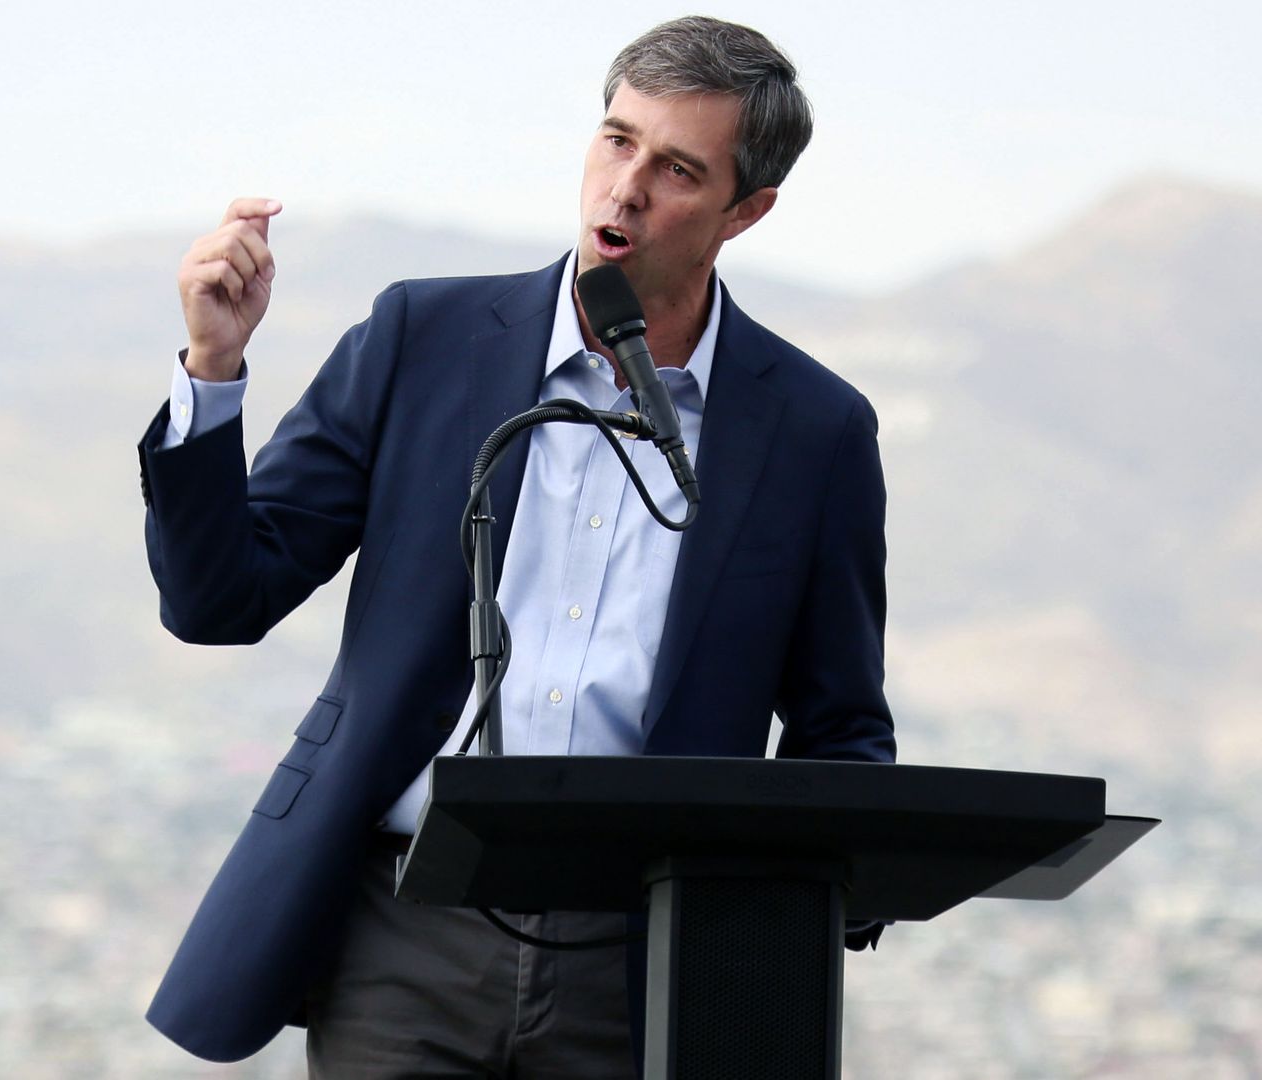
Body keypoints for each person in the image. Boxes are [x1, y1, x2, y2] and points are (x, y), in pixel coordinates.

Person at [137, 15, 895, 1077]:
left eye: (677, 168)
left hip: (646, 963)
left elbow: (842, 729)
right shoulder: (422, 341)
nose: (625, 189)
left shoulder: (814, 431)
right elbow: (217, 600)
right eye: (616, 140)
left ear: (747, 209)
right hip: (399, 937)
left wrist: (800, 915)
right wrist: (214, 373)